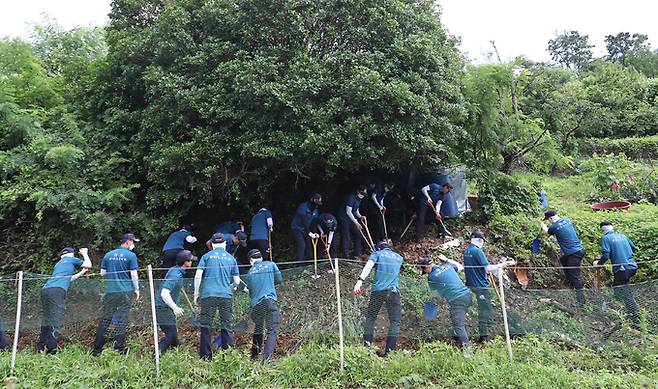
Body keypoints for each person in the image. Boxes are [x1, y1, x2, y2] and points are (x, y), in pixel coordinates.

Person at [194, 233, 243, 360]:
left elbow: (198, 275)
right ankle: (227, 356)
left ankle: (206, 358)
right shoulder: (231, 259)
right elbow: (237, 281)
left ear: (212, 244)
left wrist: (196, 294)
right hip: (225, 296)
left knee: (206, 325)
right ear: (225, 244)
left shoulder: (206, 256)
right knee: (226, 325)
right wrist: (230, 288)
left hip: (208, 294)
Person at [92, 233, 140, 356]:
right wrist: (137, 290)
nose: (133, 245)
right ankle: (119, 349)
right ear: (128, 242)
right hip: (125, 292)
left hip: (110, 292)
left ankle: (96, 350)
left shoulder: (108, 255)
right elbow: (134, 275)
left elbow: (102, 273)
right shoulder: (131, 255)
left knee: (105, 319)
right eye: (133, 242)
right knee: (122, 319)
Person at [37, 247, 92, 354]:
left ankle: (41, 347)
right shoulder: (71, 259)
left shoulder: (59, 263)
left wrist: (82, 272)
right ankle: (52, 350)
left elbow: (68, 278)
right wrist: (85, 254)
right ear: (71, 254)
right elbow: (88, 264)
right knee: (55, 319)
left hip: (46, 290)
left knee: (46, 319)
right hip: (57, 292)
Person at [353, 239, 403, 356]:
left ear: (379, 247)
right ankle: (389, 353)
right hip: (393, 292)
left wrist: (360, 281)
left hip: (378, 291)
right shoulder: (399, 258)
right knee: (395, 321)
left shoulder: (377, 254)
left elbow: (368, 266)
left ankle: (367, 349)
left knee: (371, 317)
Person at [463, 230, 515, 343]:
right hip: (480, 286)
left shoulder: (467, 250)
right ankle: (484, 337)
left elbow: (478, 266)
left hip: (472, 284)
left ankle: (485, 333)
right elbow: (488, 268)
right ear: (480, 240)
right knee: (484, 310)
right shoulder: (477, 251)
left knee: (484, 309)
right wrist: (502, 265)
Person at [594, 221, 640, 329]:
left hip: (621, 269)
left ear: (603, 230)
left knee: (624, 293)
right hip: (632, 266)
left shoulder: (606, 238)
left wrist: (599, 264)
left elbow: (605, 255)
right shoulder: (622, 236)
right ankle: (622, 312)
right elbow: (633, 248)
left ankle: (636, 319)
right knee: (619, 289)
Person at [418, 256, 472, 348]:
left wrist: (433, 303)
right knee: (459, 321)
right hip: (467, 295)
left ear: (427, 267)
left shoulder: (431, 277)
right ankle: (461, 342)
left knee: (458, 324)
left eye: (425, 271)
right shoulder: (448, 265)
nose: (426, 273)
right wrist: (447, 260)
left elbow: (435, 295)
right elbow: (460, 267)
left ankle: (467, 351)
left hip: (457, 299)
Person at [155, 250, 196, 353]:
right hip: (162, 308)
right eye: (190, 260)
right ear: (185, 262)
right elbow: (164, 293)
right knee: (171, 334)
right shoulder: (175, 275)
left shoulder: (176, 270)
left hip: (166, 307)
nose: (192, 262)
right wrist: (175, 308)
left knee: (173, 329)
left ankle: (175, 344)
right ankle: (157, 352)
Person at [245, 249, 282, 362]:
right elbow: (279, 280)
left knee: (258, 328)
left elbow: (250, 290)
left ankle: (254, 356)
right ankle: (267, 358)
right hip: (269, 300)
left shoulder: (250, 272)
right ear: (261, 257)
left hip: (256, 304)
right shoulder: (271, 265)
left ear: (251, 260)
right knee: (272, 329)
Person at [542, 210, 586, 306]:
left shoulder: (553, 227)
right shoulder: (567, 220)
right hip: (579, 250)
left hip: (573, 253)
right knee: (563, 260)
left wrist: (544, 227)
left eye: (548, 220)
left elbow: (548, 232)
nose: (549, 222)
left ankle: (581, 301)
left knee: (575, 276)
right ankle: (570, 281)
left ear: (551, 218)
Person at [338, 186, 367, 259]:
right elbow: (348, 211)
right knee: (346, 236)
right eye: (362, 193)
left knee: (358, 234)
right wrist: (356, 222)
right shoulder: (351, 197)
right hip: (344, 218)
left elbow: (356, 209)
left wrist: (360, 216)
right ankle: (345, 255)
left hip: (352, 218)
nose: (362, 195)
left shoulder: (359, 199)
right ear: (358, 191)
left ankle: (357, 253)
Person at [290, 193, 322, 262]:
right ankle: (299, 265)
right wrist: (310, 233)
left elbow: (313, 222)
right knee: (302, 245)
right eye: (316, 202)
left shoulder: (315, 209)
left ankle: (308, 265)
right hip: (297, 228)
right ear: (312, 199)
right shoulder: (303, 206)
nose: (316, 205)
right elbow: (303, 221)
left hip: (305, 230)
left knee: (309, 247)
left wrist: (315, 232)